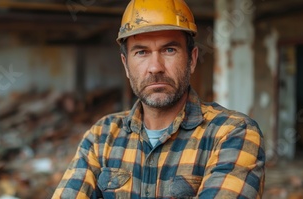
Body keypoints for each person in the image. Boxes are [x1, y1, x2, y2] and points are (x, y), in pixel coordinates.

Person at [53, 0, 265, 198]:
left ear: (191, 59)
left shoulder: (232, 133)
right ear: (126, 65)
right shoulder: (101, 136)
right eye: (142, 52)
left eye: (169, 49)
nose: (155, 67)